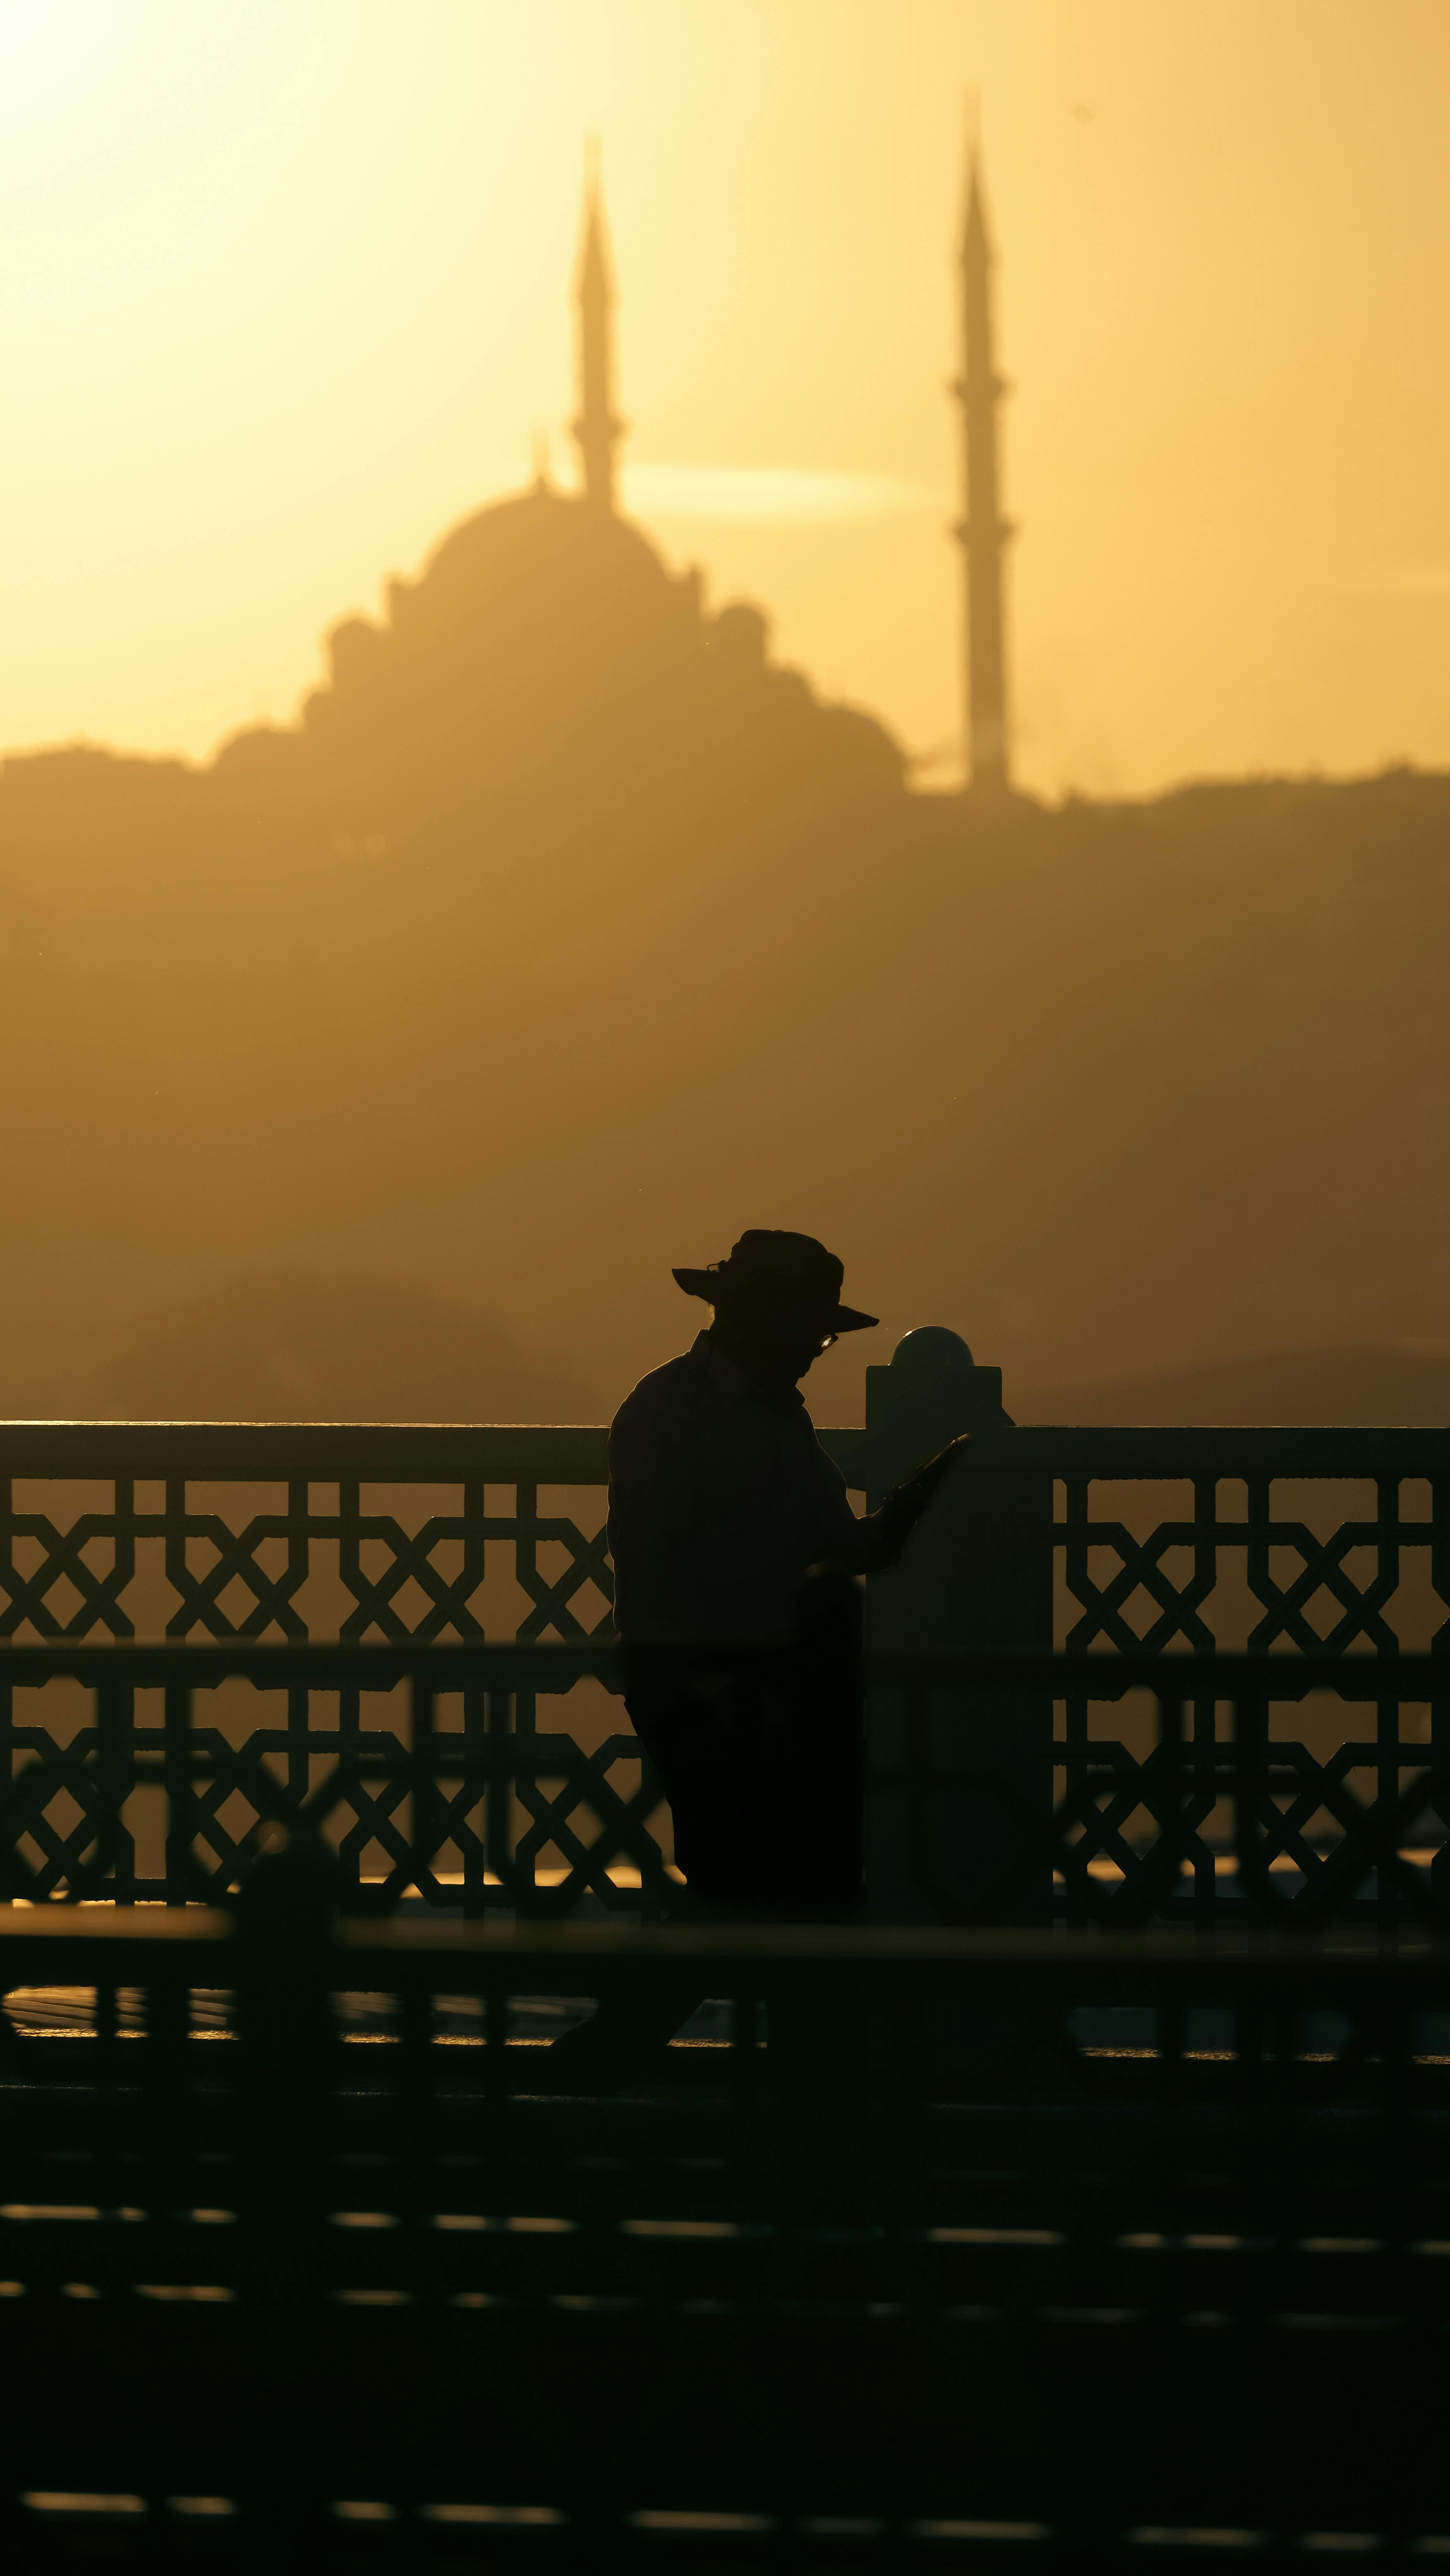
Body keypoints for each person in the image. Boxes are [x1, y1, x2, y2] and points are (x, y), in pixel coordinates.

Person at [540, 1230, 967, 2090]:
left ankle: (673, 2058)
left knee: (764, 1888)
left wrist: (916, 1502)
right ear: (759, 1319)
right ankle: (683, 2060)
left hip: (776, 1691)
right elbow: (651, 1567)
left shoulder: (772, 1419)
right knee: (752, 1886)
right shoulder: (669, 1410)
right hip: (702, 1692)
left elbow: (839, 1548)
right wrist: (708, 1688)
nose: (820, 1347)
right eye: (811, 1327)